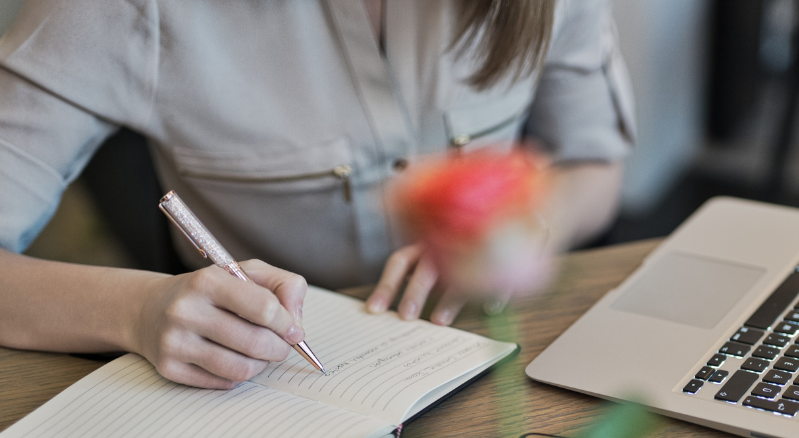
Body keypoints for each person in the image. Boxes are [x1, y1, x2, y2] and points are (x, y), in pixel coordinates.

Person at [0, 0, 635, 389]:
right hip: (265, 390)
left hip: (505, 366)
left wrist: (530, 226)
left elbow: (595, 164)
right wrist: (136, 310)